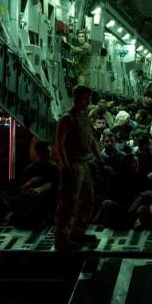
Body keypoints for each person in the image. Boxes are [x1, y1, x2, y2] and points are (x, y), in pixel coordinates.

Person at [54, 85, 103, 251]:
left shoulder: (84, 117)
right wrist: (65, 166)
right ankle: (62, 239)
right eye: (86, 98)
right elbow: (59, 144)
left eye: (89, 98)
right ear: (77, 98)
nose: (89, 101)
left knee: (87, 199)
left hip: (84, 163)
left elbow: (91, 140)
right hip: (73, 164)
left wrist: (98, 158)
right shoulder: (67, 118)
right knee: (68, 202)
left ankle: (77, 231)